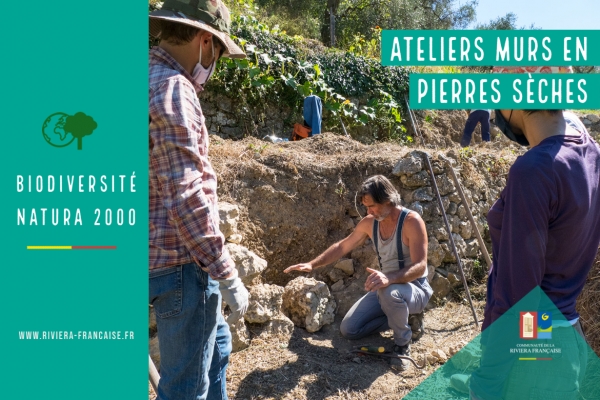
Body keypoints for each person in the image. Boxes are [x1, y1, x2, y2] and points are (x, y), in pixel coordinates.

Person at [470, 66, 600, 399]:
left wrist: (487, 382)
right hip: (565, 338)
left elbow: (520, 297)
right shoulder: (590, 154)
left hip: (534, 353)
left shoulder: (534, 171)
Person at [148, 1, 249, 399]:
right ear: (205, 40)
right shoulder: (174, 89)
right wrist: (225, 272)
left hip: (154, 253)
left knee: (219, 346)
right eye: (218, 55)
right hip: (180, 266)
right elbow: (186, 195)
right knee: (185, 389)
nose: (214, 65)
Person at [284, 175, 433, 371]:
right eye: (366, 207)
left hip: (414, 289)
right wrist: (313, 264)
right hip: (386, 288)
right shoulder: (370, 222)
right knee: (350, 329)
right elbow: (342, 246)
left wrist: (389, 278)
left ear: (388, 200)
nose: (368, 211)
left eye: (372, 206)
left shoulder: (412, 221)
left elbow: (420, 266)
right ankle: (406, 319)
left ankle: (402, 345)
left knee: (390, 292)